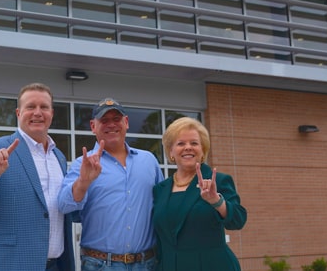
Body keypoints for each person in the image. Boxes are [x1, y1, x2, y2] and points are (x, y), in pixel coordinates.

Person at [0, 82, 75, 271]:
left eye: (44, 107)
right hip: (10, 264)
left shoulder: (59, 157)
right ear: (18, 113)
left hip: (56, 265)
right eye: (30, 106)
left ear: (52, 113)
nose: (38, 112)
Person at [58, 97, 164, 271]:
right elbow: (64, 205)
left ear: (126, 122)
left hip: (147, 264)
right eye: (104, 120)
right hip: (100, 265)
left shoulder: (149, 161)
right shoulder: (82, 164)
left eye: (116, 119)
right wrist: (84, 181)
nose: (111, 125)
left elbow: (163, 206)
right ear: (93, 126)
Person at [152, 117, 247, 271]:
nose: (188, 147)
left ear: (203, 150)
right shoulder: (160, 189)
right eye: (181, 143)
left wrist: (216, 201)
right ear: (171, 151)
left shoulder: (219, 181)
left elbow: (238, 220)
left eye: (194, 143)